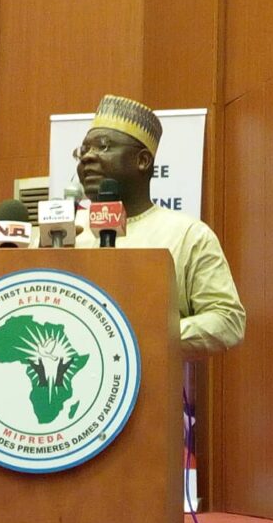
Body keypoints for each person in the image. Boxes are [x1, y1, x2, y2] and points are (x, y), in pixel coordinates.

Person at [73, 94, 246, 358]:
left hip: (155, 390)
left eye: (104, 146)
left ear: (143, 161)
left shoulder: (188, 235)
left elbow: (228, 321)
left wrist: (145, 335)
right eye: (84, 150)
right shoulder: (66, 233)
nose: (87, 158)